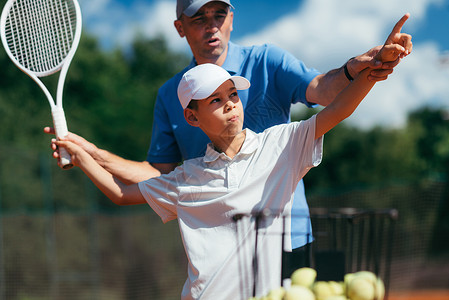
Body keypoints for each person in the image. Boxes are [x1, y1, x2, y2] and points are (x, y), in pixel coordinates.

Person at [46, 0, 412, 254]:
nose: (211, 26)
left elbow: (329, 95)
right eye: (199, 18)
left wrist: (362, 70)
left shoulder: (271, 78)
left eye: (219, 15)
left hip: (288, 240)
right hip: (223, 248)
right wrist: (90, 154)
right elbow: (152, 178)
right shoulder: (182, 141)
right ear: (180, 28)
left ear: (232, 18)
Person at [55, 40, 408, 299]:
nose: (230, 106)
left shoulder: (280, 146)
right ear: (192, 117)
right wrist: (85, 156)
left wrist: (375, 69)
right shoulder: (187, 176)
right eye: (216, 100)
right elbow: (120, 194)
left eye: (233, 95)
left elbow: (338, 109)